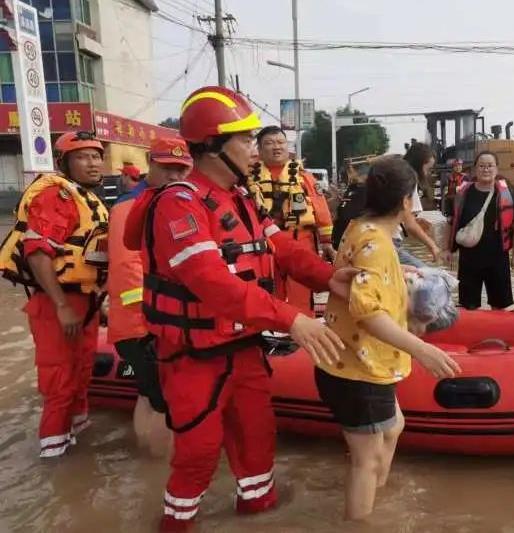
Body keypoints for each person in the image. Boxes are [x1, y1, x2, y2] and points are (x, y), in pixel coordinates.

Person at [123, 86, 358, 531]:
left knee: (257, 441)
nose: (256, 148)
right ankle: (176, 524)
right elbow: (214, 284)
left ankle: (259, 515)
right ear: (212, 146)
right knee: (198, 452)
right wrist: (293, 319)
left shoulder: (241, 197)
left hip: (243, 348)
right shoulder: (180, 205)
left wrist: (329, 278)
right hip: (193, 357)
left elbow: (281, 248)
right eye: (246, 139)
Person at [317, 156, 460, 521]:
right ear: (406, 202)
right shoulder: (377, 245)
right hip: (358, 368)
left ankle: (378, 497)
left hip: (354, 362)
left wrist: (402, 270)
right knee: (366, 461)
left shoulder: (358, 227)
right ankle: (360, 521)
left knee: (394, 426)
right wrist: (422, 348)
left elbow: (362, 278)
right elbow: (368, 312)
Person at [0, 131, 109, 458]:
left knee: (81, 373)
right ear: (65, 163)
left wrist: (97, 301)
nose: (93, 163)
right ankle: (54, 461)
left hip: (85, 300)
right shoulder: (56, 196)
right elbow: (37, 252)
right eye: (83, 157)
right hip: (57, 302)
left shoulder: (88, 199)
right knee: (60, 379)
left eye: (96, 156)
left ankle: (77, 440)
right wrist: (62, 305)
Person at [107, 137, 192, 456]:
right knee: (162, 400)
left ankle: (146, 459)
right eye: (167, 168)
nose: (174, 176)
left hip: (146, 319)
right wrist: (154, 322)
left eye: (181, 170)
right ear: (150, 164)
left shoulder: (162, 201)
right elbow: (128, 266)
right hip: (142, 323)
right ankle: (158, 468)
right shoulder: (132, 205)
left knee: (147, 393)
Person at [249, 125, 335, 316]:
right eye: (269, 143)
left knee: (302, 293)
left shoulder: (304, 178)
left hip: (300, 241)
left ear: (287, 147)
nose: (276, 147)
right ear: (260, 150)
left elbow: (321, 211)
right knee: (268, 291)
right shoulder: (248, 179)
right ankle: (272, 334)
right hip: (264, 246)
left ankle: (303, 339)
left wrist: (327, 243)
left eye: (280, 142)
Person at [445, 151, 514, 310]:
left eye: (490, 166)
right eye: (481, 166)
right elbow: (450, 223)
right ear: (474, 169)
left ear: (496, 169)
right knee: (468, 305)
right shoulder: (462, 194)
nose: (486, 169)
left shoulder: (506, 194)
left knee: (500, 305)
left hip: (498, 258)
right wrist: (447, 249)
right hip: (469, 260)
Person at [398, 142, 442, 267]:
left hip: (372, 239)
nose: (427, 173)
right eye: (427, 169)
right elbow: (410, 224)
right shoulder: (409, 180)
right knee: (430, 276)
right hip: (389, 242)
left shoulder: (394, 175)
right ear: (418, 164)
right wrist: (433, 246)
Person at [332, 163, 368, 249]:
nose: (348, 175)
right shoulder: (351, 188)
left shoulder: (367, 190)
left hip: (353, 241)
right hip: (339, 239)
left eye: (350, 171)